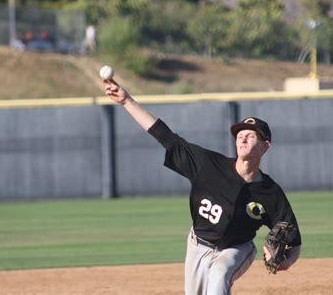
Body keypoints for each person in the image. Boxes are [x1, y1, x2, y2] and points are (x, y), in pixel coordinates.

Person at [104, 78, 302, 295]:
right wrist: (126, 101)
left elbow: (293, 238)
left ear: (266, 146)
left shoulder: (270, 193)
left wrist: (287, 262)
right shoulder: (208, 166)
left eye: (251, 135)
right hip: (198, 246)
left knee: (219, 274)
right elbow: (166, 137)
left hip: (236, 249)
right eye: (240, 135)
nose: (243, 139)